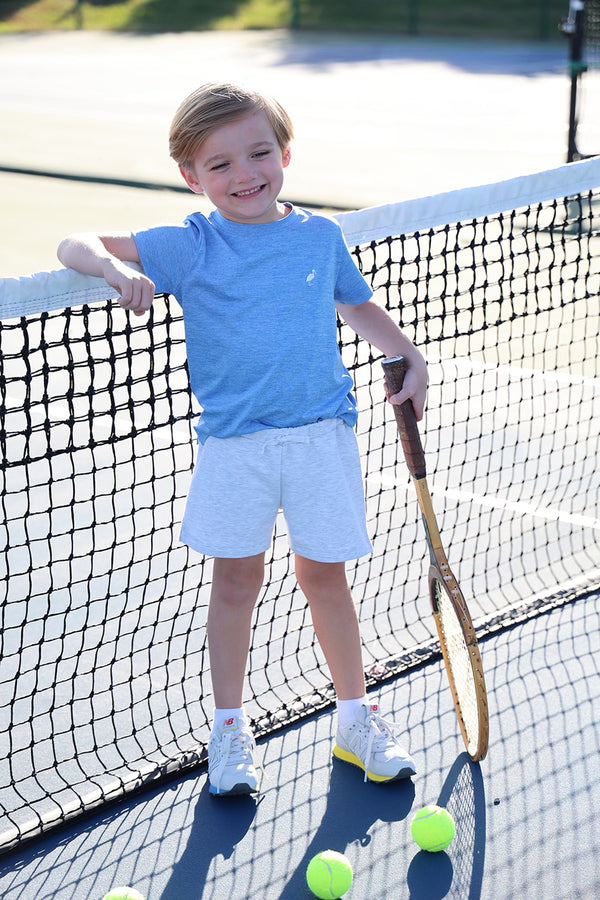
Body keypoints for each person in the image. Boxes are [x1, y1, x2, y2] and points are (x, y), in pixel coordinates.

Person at [57, 82, 428, 797]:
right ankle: (229, 731)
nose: (244, 174)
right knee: (234, 584)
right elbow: (76, 241)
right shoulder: (190, 244)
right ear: (191, 177)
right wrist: (114, 267)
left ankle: (356, 721)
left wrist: (407, 353)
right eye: (219, 164)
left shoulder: (319, 235)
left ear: (285, 154)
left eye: (259, 153)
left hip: (322, 437)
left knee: (327, 580)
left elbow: (355, 304)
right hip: (235, 449)